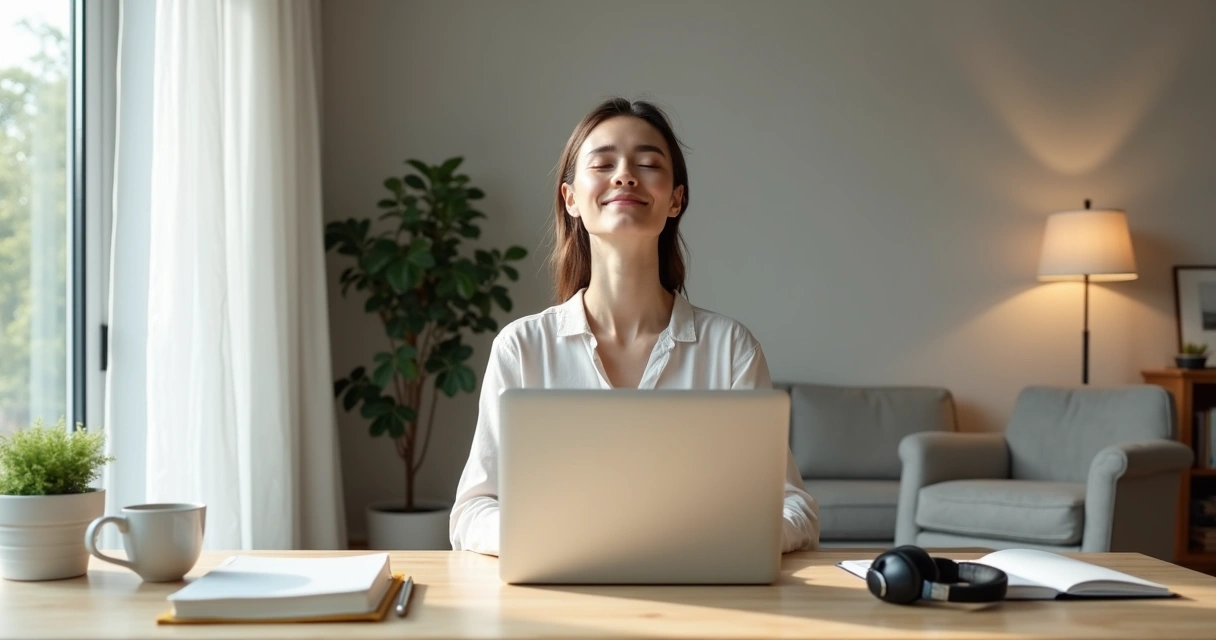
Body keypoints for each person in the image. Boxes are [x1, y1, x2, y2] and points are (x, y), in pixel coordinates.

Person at [449, 97, 819, 556]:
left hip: (700, 603)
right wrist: (556, 539)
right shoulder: (522, 347)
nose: (625, 175)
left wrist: (724, 538)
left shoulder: (730, 349)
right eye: (603, 164)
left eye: (647, 163)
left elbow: (794, 506)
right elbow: (473, 510)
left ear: (675, 199)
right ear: (571, 199)